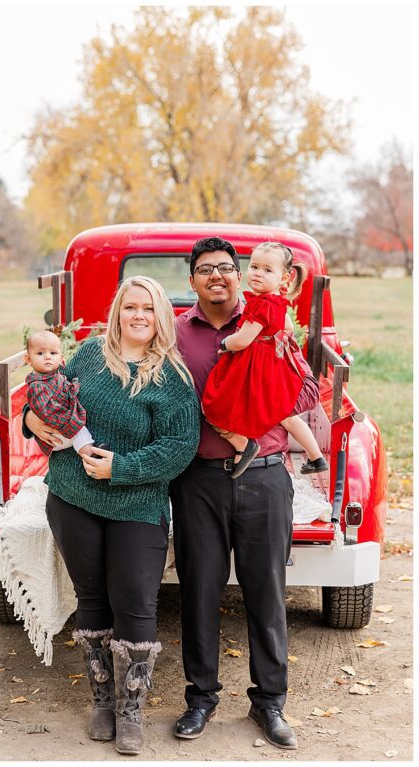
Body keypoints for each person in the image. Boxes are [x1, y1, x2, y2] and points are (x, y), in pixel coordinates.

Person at [23, 276, 200, 756]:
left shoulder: (173, 379)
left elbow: (180, 447)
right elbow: (46, 398)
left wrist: (122, 467)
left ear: (160, 316)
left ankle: (131, 708)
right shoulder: (86, 355)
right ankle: (102, 699)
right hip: (72, 496)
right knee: (92, 597)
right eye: (130, 307)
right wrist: (30, 422)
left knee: (136, 602)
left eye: (148, 308)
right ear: (118, 311)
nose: (138, 315)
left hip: (137, 505)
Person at [170, 236, 319, 751]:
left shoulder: (271, 327)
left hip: (266, 475)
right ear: (192, 280)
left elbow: (305, 392)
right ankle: (201, 697)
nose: (218, 276)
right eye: (205, 269)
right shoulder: (176, 334)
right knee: (199, 589)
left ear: (241, 276)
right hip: (199, 479)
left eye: (227, 268)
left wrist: (275, 366)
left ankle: (270, 702)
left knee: (266, 592)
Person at [201, 241, 329, 478]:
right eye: (255, 266)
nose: (258, 273)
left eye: (267, 270)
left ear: (284, 278)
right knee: (285, 415)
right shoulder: (276, 302)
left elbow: (242, 340)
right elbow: (287, 328)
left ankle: (243, 445)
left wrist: (223, 344)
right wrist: (272, 342)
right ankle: (316, 457)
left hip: (255, 369)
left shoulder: (262, 304)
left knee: (214, 406)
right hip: (270, 367)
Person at [24, 329, 95, 456]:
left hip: (59, 428)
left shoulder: (55, 375)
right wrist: (70, 420)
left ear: (61, 358)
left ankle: (93, 449)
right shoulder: (37, 386)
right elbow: (46, 410)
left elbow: (64, 387)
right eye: (40, 353)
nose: (47, 357)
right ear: (28, 360)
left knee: (80, 431)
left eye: (53, 353)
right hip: (54, 433)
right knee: (79, 431)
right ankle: (90, 455)